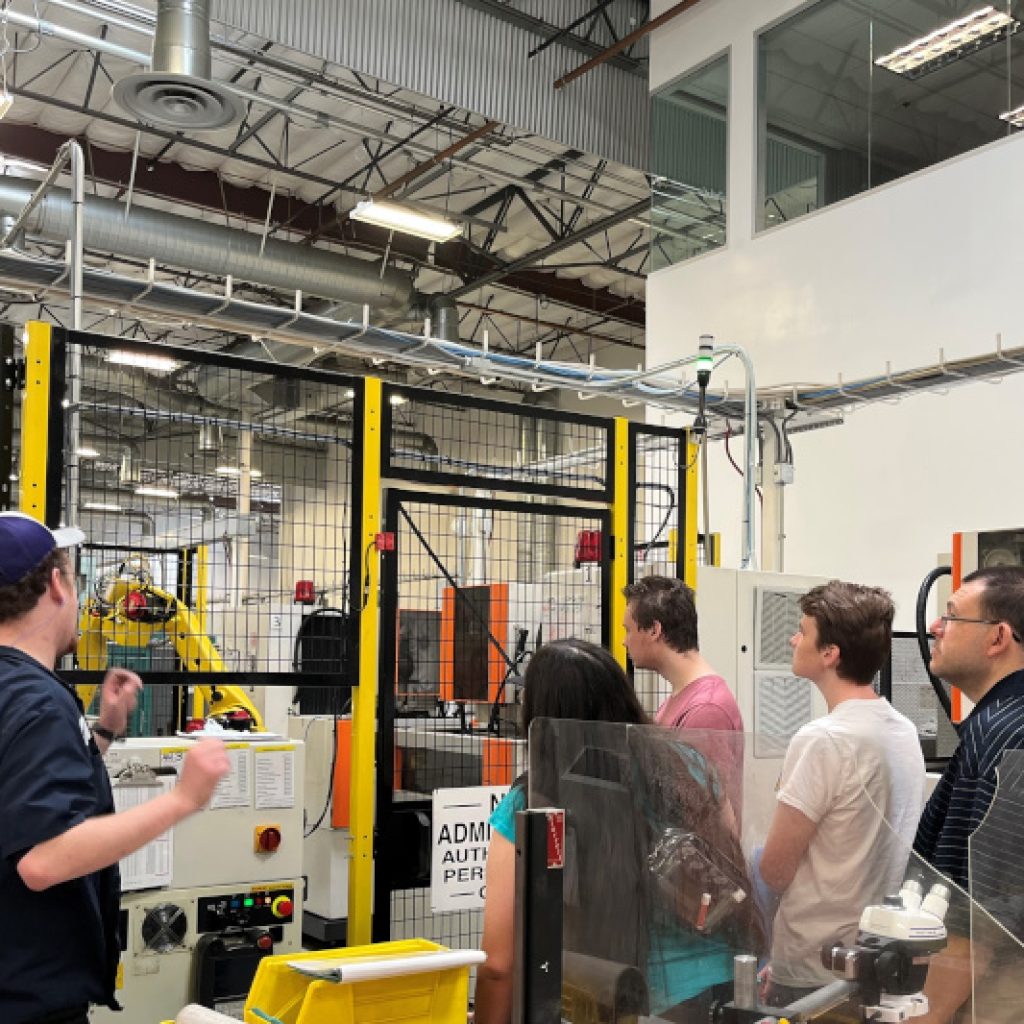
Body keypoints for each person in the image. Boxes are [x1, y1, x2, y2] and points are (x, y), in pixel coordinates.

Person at [0, 511, 231, 1024]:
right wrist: (182, 800)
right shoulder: (38, 701)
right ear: (58, 585)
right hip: (28, 999)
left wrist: (102, 734)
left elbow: (15, 797)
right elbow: (42, 860)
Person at [475, 638, 754, 1024]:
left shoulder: (535, 799)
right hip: (727, 986)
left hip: (629, 998)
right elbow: (729, 858)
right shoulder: (686, 763)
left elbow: (499, 964)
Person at [758, 581, 925, 1007]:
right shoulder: (903, 730)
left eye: (802, 631)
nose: (794, 640)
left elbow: (776, 870)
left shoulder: (822, 739)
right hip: (874, 958)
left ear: (830, 653)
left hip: (815, 966)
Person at [911, 566, 1024, 1024]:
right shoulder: (997, 722)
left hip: (994, 985)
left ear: (998, 637)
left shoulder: (1001, 733)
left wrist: (930, 1009)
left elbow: (982, 903)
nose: (935, 627)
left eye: (952, 616)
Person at [622, 576, 742, 732]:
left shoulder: (706, 710)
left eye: (628, 630)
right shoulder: (685, 697)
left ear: (654, 630)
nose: (624, 641)